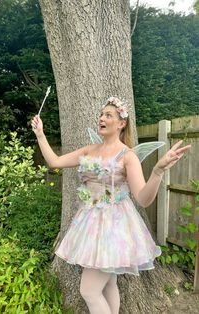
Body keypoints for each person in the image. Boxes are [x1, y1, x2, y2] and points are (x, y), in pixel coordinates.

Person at [31, 96, 191, 314]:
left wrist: (158, 171)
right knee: (108, 285)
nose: (102, 118)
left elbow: (143, 199)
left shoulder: (128, 156)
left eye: (108, 115)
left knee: (89, 291)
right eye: (101, 114)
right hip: (89, 224)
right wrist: (40, 134)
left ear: (121, 123)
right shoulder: (89, 150)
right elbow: (55, 162)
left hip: (116, 227)